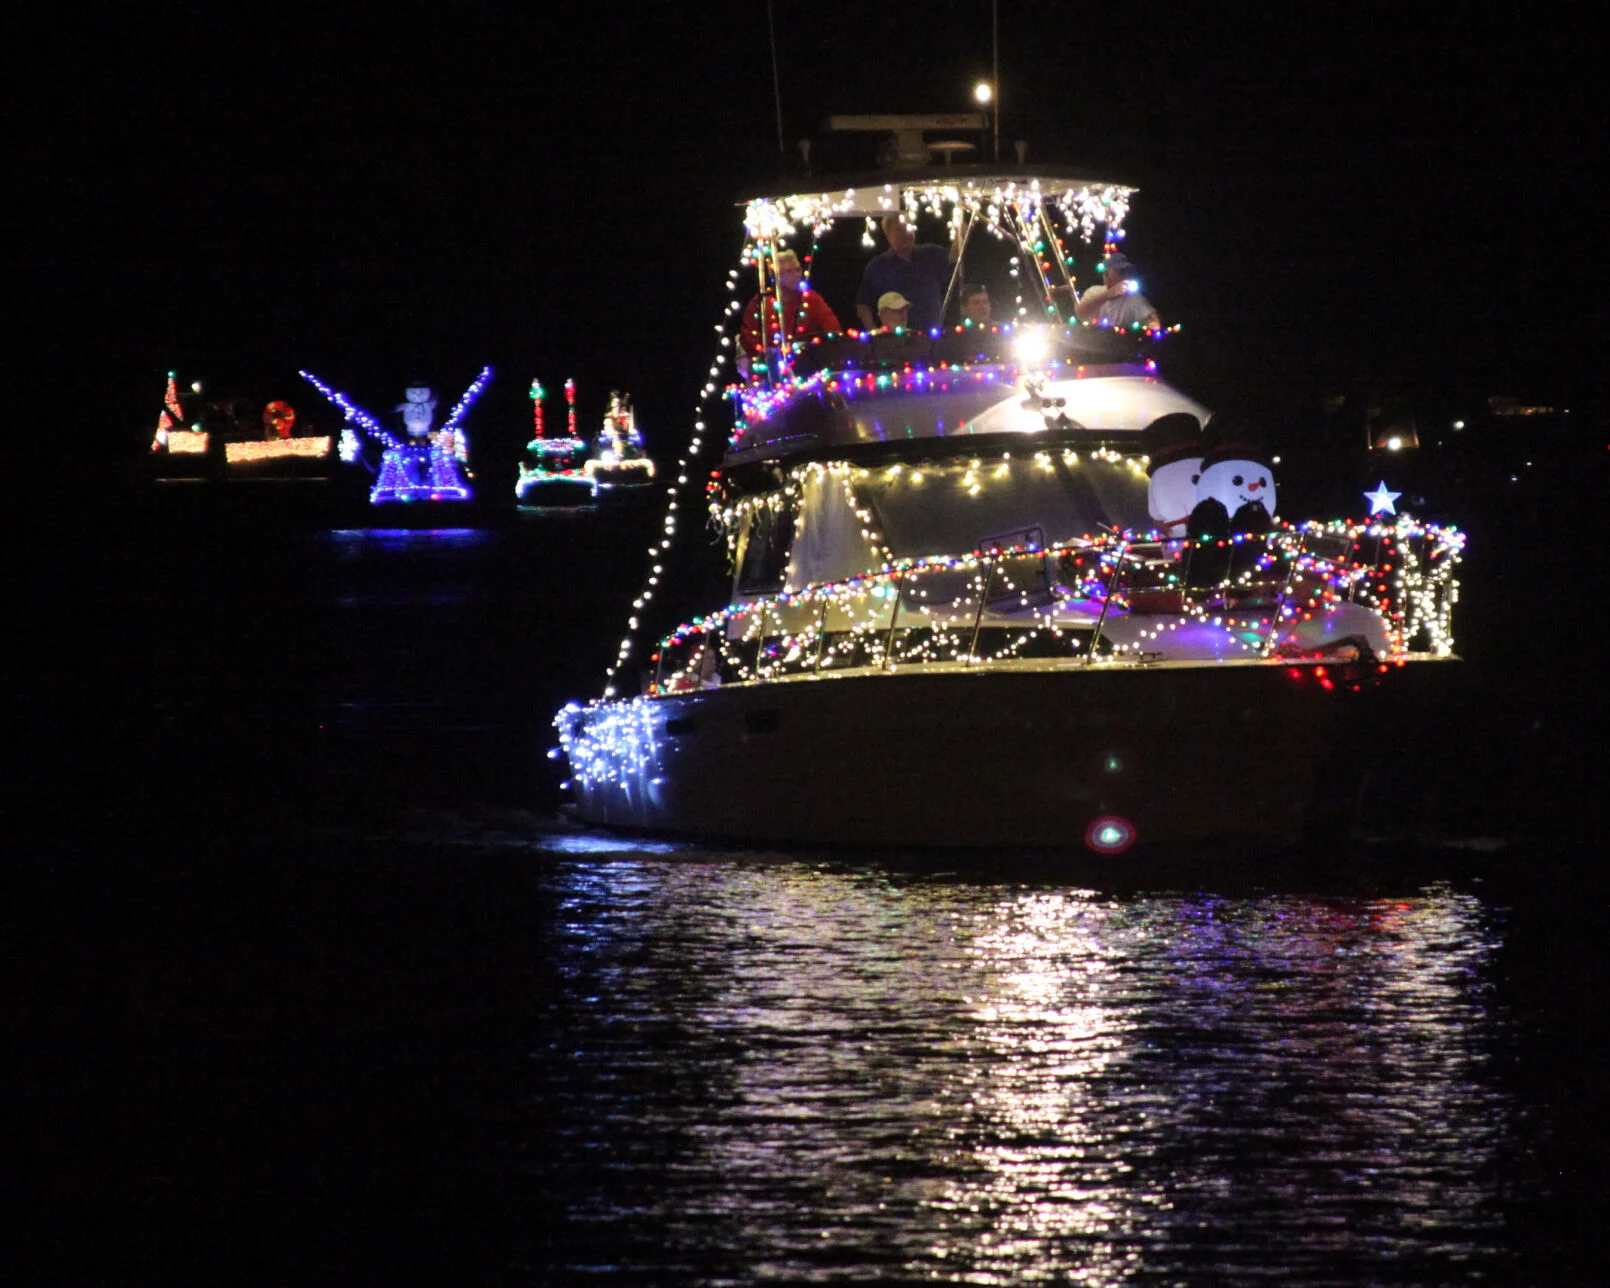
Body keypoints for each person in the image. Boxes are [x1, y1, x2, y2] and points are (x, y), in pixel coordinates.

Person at [855, 213, 959, 332]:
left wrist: (959, 235)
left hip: (932, 335)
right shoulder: (878, 266)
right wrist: (874, 335)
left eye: (909, 227)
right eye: (899, 230)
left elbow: (954, 259)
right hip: (897, 340)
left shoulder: (931, 254)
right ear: (888, 235)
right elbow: (862, 305)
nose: (906, 233)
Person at [740, 249, 840, 353]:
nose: (797, 275)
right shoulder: (761, 302)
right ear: (775, 276)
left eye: (797, 270)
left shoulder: (811, 298)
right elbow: (747, 337)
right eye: (789, 271)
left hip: (806, 359)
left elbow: (833, 329)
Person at [1074, 252, 1161, 329]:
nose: (1125, 275)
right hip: (1093, 343)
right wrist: (1110, 294)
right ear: (1106, 274)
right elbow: (1080, 313)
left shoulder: (1134, 298)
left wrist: (1151, 327)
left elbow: (1154, 323)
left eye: (1126, 271)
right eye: (1120, 271)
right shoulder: (1093, 291)